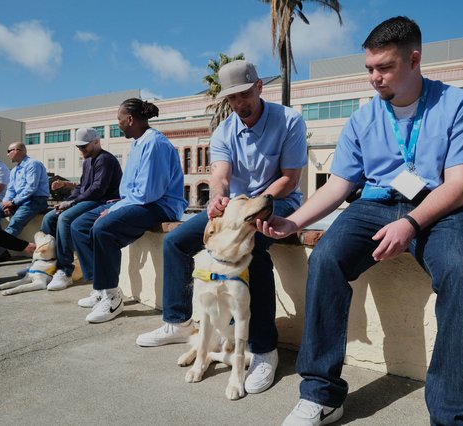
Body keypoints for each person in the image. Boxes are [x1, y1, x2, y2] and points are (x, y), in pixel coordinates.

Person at [258, 17, 463, 426]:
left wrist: (411, 225)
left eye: (383, 67)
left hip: (443, 209)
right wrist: (293, 222)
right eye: (369, 68)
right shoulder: (362, 119)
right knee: (326, 258)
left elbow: (458, 185)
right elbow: (338, 185)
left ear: (414, 59)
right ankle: (321, 394)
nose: (374, 78)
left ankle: (457, 415)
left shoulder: (457, 105)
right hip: (376, 206)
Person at [136, 60, 308, 396]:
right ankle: (177, 321)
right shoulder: (225, 130)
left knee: (253, 248)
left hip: (277, 200)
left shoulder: (289, 121)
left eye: (244, 94)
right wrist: (218, 200)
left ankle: (263, 349)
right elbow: (221, 176)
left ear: (259, 87)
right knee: (177, 241)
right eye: (232, 98)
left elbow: (290, 179)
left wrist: (253, 205)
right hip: (235, 206)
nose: (239, 103)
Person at [71, 98, 187, 324]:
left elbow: (149, 193)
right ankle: (101, 289)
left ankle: (113, 298)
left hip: (159, 206)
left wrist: (115, 208)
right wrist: (116, 205)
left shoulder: (154, 144)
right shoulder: (138, 143)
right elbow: (131, 191)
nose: (118, 124)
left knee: (103, 227)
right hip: (136, 202)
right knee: (79, 225)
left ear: (130, 119)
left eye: (119, 120)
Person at [39, 127, 122, 291]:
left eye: (84, 146)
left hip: (103, 201)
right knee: (50, 217)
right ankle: (48, 264)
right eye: (78, 147)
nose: (81, 150)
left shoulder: (105, 159)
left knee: (65, 218)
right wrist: (68, 201)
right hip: (90, 199)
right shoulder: (88, 161)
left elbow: (98, 190)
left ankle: (65, 270)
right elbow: (82, 188)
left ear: (97, 142)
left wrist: (71, 203)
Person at [0, 141, 50, 261]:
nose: (7, 154)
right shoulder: (15, 170)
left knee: (14, 225)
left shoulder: (33, 164)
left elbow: (31, 187)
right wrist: (6, 203)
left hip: (35, 200)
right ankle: (1, 250)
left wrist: (13, 202)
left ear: (18, 151)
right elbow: (10, 189)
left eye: (9, 151)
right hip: (18, 201)